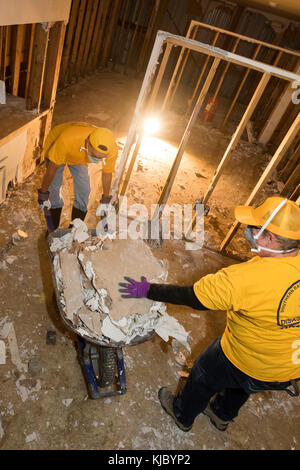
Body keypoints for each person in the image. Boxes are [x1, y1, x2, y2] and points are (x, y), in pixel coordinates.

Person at [119, 196, 300, 432]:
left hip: (244, 357)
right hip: (286, 369)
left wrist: (147, 290)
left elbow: (192, 297)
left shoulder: (243, 279)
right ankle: (221, 415)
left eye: (255, 228)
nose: (249, 232)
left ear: (270, 238)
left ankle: (182, 414)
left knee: (203, 376)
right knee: (245, 386)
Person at [37, 122, 118, 229]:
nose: (96, 160)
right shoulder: (66, 140)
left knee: (84, 189)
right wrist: (43, 194)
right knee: (54, 189)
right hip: (59, 146)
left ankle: (74, 229)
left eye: (100, 158)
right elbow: (51, 171)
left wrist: (105, 201)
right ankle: (53, 228)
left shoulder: (111, 149)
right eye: (94, 155)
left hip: (79, 155)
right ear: (87, 142)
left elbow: (107, 173)